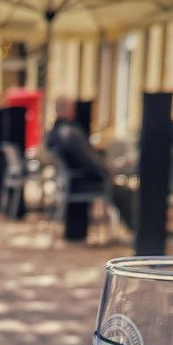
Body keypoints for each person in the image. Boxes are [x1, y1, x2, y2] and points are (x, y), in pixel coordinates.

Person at [44, 96, 111, 241]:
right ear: (69, 110)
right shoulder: (70, 133)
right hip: (80, 183)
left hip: (70, 181)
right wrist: (106, 171)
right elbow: (90, 162)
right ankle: (143, 231)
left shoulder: (55, 132)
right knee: (120, 191)